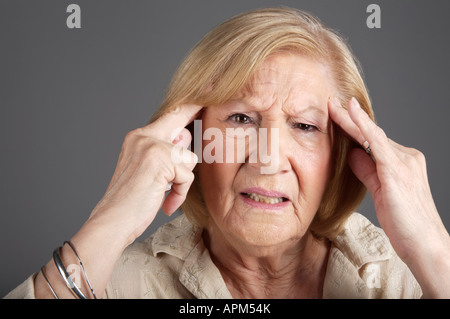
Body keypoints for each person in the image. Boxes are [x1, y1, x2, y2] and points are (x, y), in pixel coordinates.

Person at [5, 7, 450, 299]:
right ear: (190, 135)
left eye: (305, 126)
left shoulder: (402, 281)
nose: (268, 159)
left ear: (338, 158)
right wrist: (111, 218)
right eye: (241, 119)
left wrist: (434, 251)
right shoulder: (121, 285)